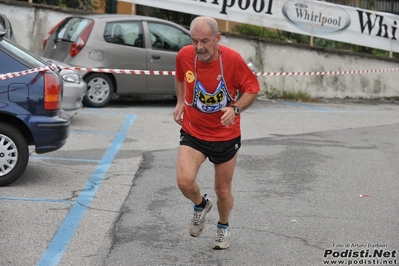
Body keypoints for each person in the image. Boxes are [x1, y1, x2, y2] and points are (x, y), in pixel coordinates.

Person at [173, 16, 260, 250]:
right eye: (194, 41)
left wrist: (235, 108)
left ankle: (223, 228)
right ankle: (200, 205)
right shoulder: (184, 55)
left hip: (225, 135)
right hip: (193, 130)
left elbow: (252, 89)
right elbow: (180, 76)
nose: (199, 47)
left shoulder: (232, 60)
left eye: (205, 40)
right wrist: (181, 102)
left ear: (217, 38)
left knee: (222, 190)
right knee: (184, 181)